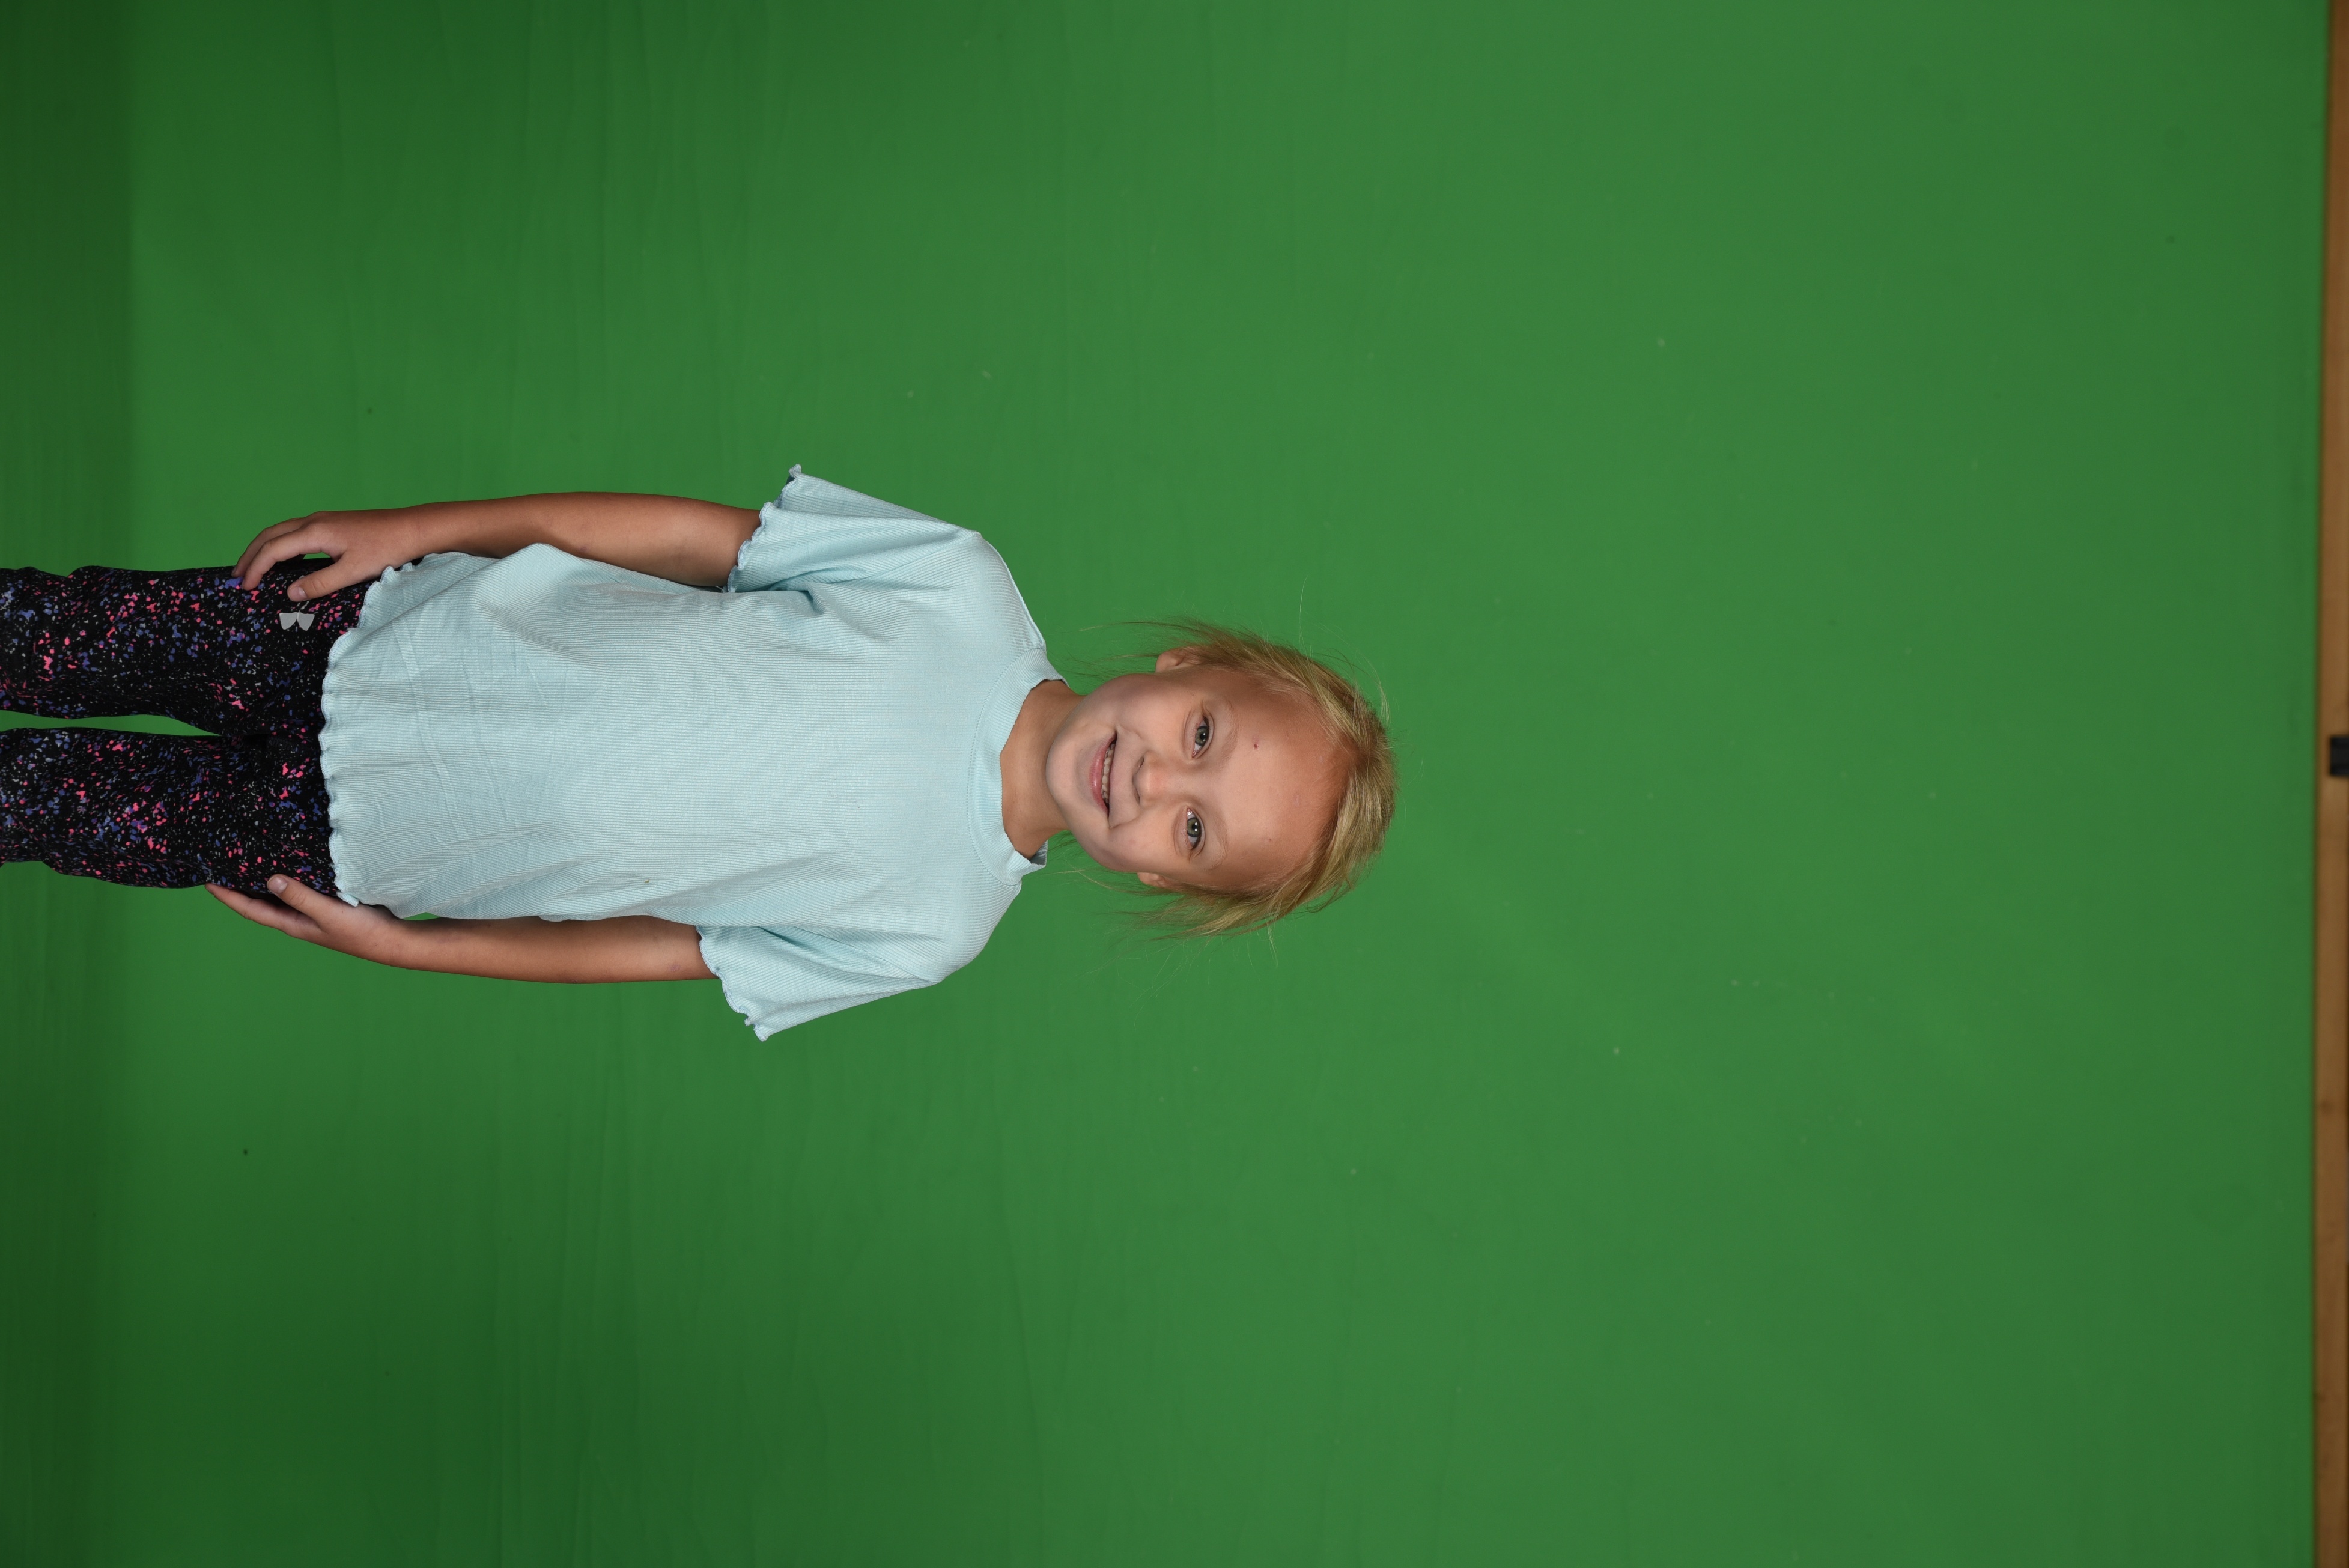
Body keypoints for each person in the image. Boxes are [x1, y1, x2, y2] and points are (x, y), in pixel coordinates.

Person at [0, 469, 1396, 1036]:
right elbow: (681, 538)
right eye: (1200, 737)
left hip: (368, 841)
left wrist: (422, 951)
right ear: (1181, 668)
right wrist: (418, 530)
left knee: (47, 803)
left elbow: (659, 950)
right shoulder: (959, 588)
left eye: (1194, 827)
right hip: (371, 634)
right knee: (49, 634)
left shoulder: (932, 928)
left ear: (1160, 878)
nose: (1153, 781)